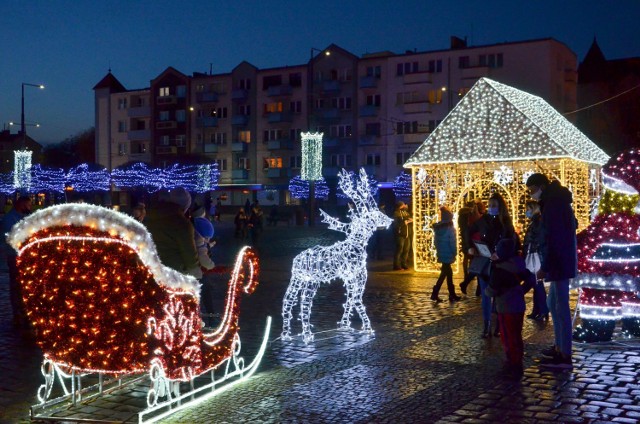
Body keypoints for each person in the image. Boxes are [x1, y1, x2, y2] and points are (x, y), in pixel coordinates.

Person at [526, 173, 577, 370]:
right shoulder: (556, 201)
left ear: (541, 186)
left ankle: (564, 354)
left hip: (558, 261)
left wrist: (544, 268)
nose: (532, 195)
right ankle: (559, 347)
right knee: (553, 303)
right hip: (560, 259)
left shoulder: (553, 204)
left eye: (532, 190)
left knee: (560, 306)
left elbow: (552, 238)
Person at [468, 192, 517, 338]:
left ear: (500, 206)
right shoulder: (484, 220)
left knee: (498, 294)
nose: (490, 208)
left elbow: (511, 242)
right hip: (485, 261)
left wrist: (501, 253)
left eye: (493, 206)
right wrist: (470, 246)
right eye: (489, 205)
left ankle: (497, 325)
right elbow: (469, 230)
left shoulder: (506, 222)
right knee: (485, 295)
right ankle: (487, 324)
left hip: (499, 263)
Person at [485, 238, 535, 379]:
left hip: (505, 307)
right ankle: (516, 361)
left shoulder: (499, 268)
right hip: (518, 305)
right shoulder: (518, 265)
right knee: (516, 335)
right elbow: (531, 279)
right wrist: (520, 290)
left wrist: (487, 291)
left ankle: (513, 365)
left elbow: (492, 290)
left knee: (507, 336)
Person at [145, 187, 201, 278]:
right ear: (185, 206)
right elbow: (189, 253)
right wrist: (196, 270)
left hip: (151, 267)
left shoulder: (150, 216)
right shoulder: (182, 223)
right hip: (173, 272)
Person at [2, 196, 32, 328]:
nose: (30, 207)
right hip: (15, 256)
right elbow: (10, 239)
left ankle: (24, 313)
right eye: (28, 205)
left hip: (25, 255)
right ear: (20, 204)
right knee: (16, 286)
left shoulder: (25, 217)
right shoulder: (9, 219)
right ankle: (18, 314)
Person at [523, 200, 549, 321]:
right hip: (534, 255)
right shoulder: (536, 221)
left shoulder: (537, 222)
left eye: (528, 209)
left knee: (537, 284)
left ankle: (543, 310)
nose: (526, 211)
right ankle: (537, 310)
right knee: (536, 283)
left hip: (536, 256)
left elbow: (539, 237)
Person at [192, 205, 217, 326]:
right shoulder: (199, 240)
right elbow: (204, 259)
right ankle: (205, 318)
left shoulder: (193, 234)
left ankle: (203, 317)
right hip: (198, 272)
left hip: (194, 271)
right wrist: (212, 265)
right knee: (204, 293)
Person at [430, 206, 461, 302]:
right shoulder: (450, 228)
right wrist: (455, 253)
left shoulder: (438, 228)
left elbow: (435, 242)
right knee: (446, 273)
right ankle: (449, 294)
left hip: (441, 253)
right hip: (448, 253)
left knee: (446, 273)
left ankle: (442, 293)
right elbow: (452, 242)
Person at [393, 201, 412, 270]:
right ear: (401, 206)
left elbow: (408, 218)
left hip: (407, 234)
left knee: (406, 250)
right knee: (399, 250)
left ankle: (404, 264)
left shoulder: (405, 212)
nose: (405, 205)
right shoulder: (396, 213)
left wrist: (410, 220)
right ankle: (396, 265)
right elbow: (395, 225)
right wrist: (404, 223)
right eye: (404, 204)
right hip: (400, 235)